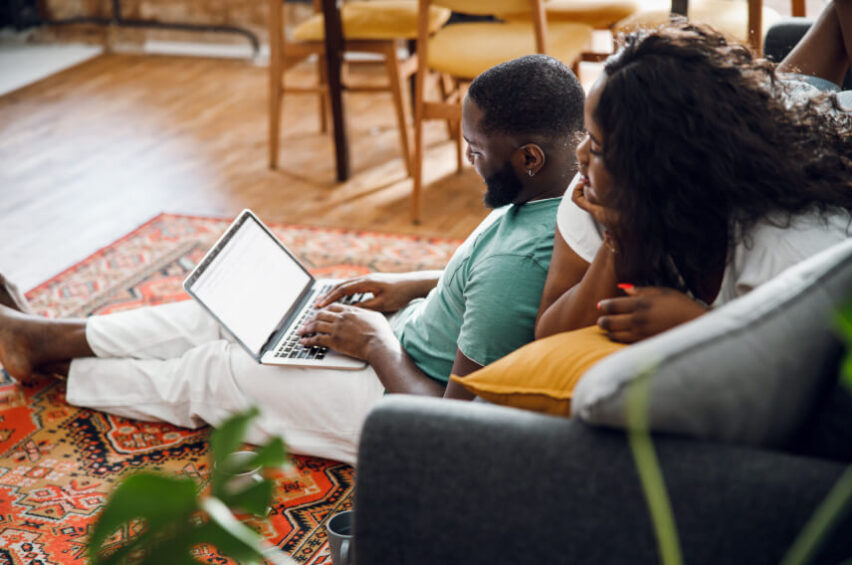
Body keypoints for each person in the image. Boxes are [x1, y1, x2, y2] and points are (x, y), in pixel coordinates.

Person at [0, 54, 585, 465]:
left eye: (476, 151)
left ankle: (62, 370)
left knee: (215, 368)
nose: (469, 161)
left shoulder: (522, 258)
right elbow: (490, 284)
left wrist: (374, 345)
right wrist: (409, 285)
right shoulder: (558, 196)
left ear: (529, 157)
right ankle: (45, 338)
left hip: (391, 397)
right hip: (400, 340)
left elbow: (451, 429)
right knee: (235, 312)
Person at [535, 19, 852, 345]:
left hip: (822, 132)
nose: (580, 153)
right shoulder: (602, 188)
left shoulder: (789, 247)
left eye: (597, 146)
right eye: (589, 135)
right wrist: (621, 236)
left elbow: (819, 377)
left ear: (662, 169)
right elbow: (550, 339)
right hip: (781, 107)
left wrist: (699, 325)